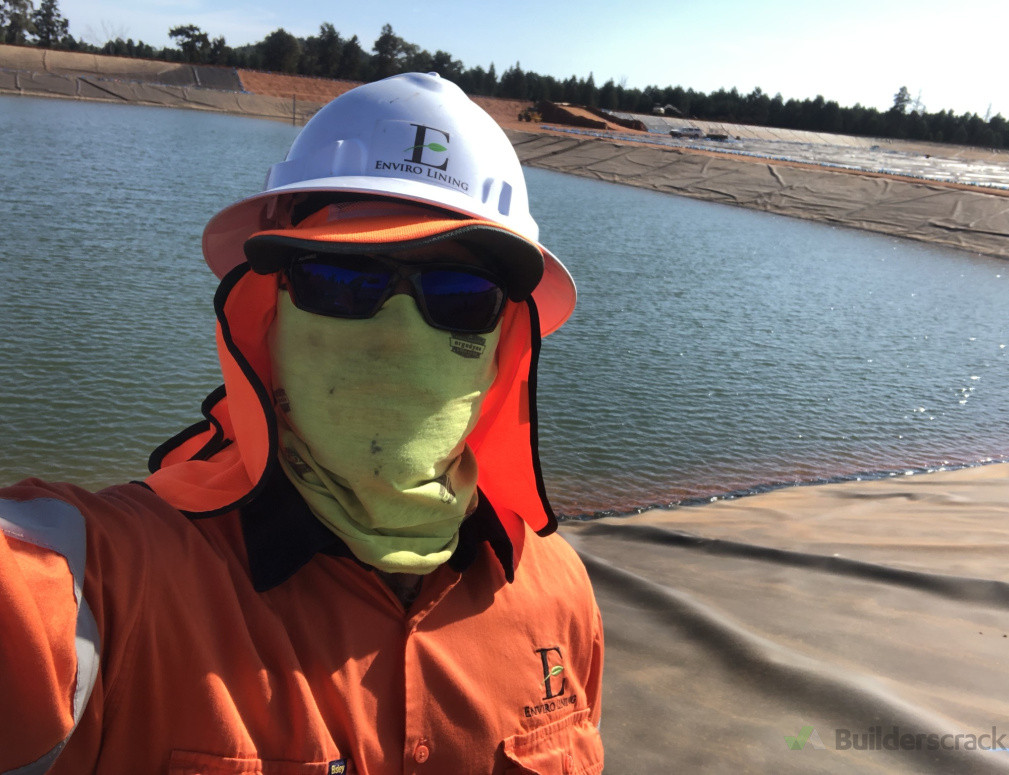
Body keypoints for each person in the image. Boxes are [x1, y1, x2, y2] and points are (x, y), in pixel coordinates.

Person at [0, 72, 604, 774]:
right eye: (344, 280)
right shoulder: (115, 582)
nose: (398, 336)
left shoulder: (559, 592)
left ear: (504, 342)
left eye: (458, 292)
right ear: (269, 316)